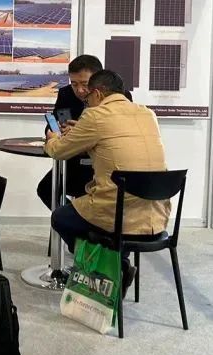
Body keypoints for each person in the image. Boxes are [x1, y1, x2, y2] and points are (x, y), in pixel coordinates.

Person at [45, 70, 170, 287]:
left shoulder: (95, 115)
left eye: (87, 99)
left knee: (60, 218)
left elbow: (58, 151)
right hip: (155, 215)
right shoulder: (147, 114)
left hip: (118, 213)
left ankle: (107, 268)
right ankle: (119, 263)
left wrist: (52, 138)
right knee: (94, 216)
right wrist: (81, 131)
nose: (86, 103)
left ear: (98, 93)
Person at [37, 55, 133, 210]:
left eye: (85, 84)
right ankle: (74, 217)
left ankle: (77, 218)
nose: (79, 90)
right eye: (74, 84)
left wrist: (82, 131)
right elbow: (52, 123)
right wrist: (57, 130)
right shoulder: (65, 94)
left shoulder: (119, 96)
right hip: (72, 159)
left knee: (88, 194)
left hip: (104, 164)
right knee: (46, 189)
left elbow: (120, 131)